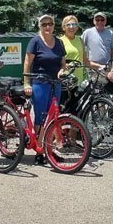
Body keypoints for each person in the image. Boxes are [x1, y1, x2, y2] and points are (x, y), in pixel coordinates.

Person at [24, 15, 68, 153]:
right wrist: (26, 84)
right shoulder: (35, 42)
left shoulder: (59, 42)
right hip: (40, 83)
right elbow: (27, 63)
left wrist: (62, 71)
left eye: (50, 24)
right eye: (44, 25)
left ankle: (47, 147)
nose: (47, 27)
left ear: (54, 25)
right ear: (39, 26)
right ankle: (39, 148)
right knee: (40, 116)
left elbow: (63, 64)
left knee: (53, 116)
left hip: (56, 84)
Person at [60, 15, 85, 81]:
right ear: (64, 27)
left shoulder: (80, 40)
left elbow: (85, 60)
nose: (71, 27)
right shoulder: (60, 41)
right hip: (66, 80)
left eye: (74, 25)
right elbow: (56, 61)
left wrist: (100, 66)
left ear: (77, 27)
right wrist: (65, 65)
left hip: (79, 79)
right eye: (68, 25)